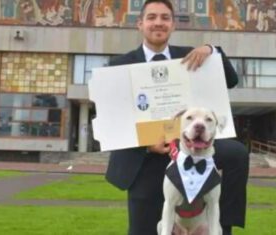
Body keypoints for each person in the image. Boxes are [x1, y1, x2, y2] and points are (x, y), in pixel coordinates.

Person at [105, 1, 249, 234]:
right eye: (151, 17)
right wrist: (146, 144)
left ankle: (224, 225)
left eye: (165, 17)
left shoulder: (192, 56)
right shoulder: (120, 65)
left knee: (236, 154)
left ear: (172, 25)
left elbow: (231, 80)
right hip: (147, 157)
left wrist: (212, 50)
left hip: (192, 146)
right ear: (140, 24)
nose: (158, 22)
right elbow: (114, 120)